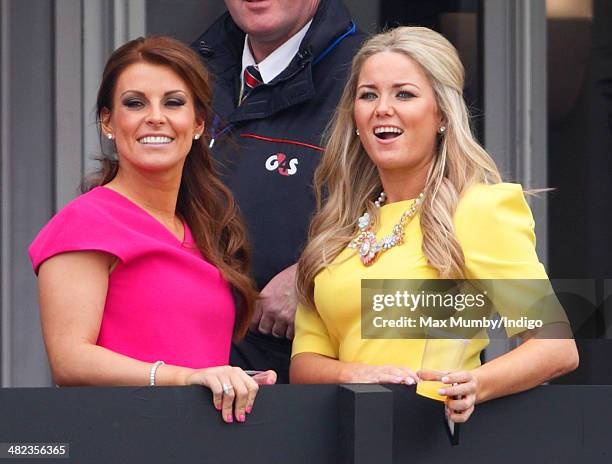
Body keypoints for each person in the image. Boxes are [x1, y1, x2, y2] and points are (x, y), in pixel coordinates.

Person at [290, 27, 579, 422]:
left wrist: (476, 384)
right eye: (368, 94)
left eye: (404, 94)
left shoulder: (478, 209)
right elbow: (305, 364)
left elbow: (554, 346)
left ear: (441, 114)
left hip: (429, 438)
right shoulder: (335, 229)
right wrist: (357, 375)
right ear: (354, 116)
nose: (382, 108)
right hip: (335, 437)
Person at [29, 36, 275, 424]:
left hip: (204, 441)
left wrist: (233, 383)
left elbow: (192, 355)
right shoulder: (87, 221)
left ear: (197, 124)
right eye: (135, 103)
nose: (155, 116)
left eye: (173, 102)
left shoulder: (204, 227)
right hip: (121, 438)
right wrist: (186, 378)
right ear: (109, 122)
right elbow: (70, 359)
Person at [192, 0, 365, 383]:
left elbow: (428, 224)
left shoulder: (372, 76)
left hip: (317, 394)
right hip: (195, 375)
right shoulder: (187, 73)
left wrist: (315, 272)